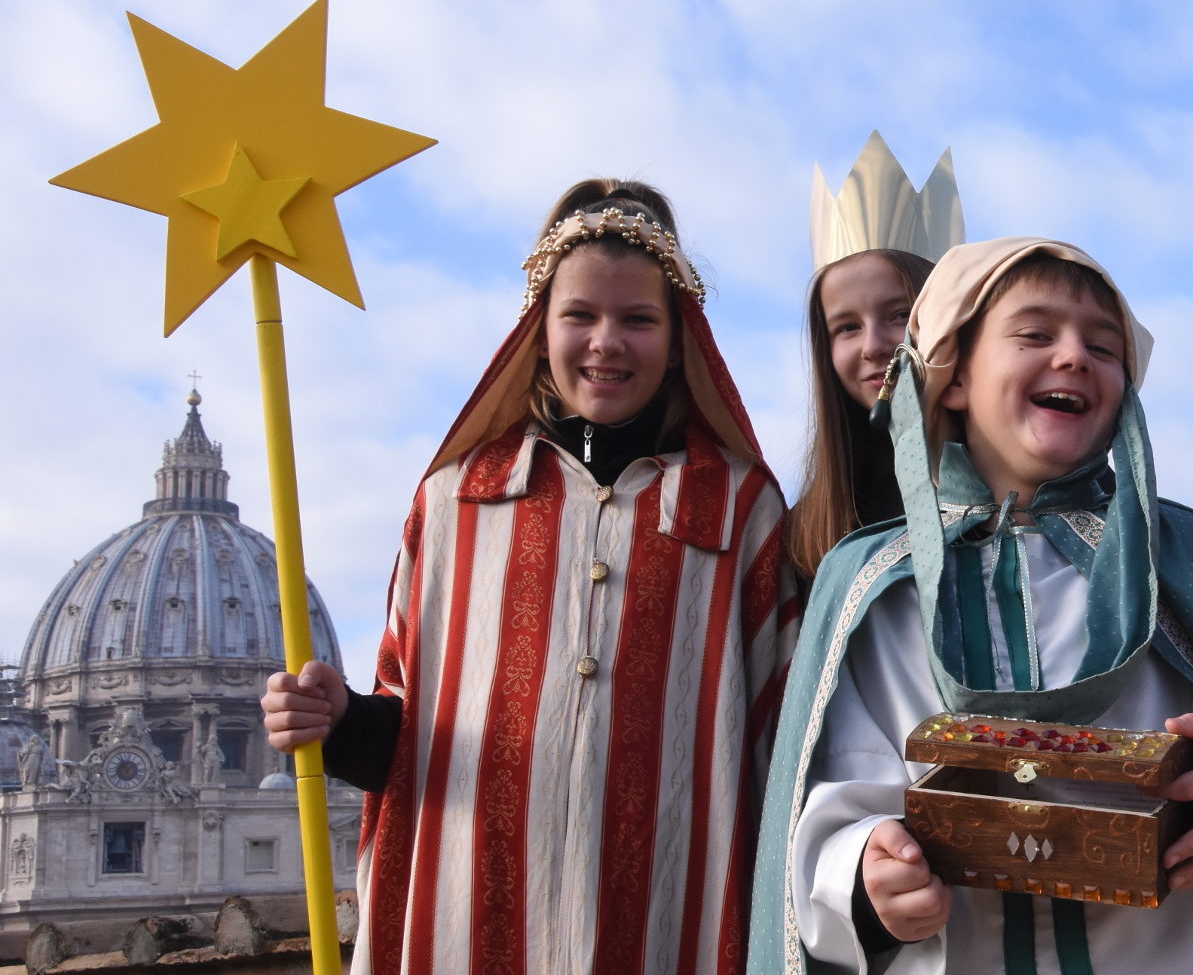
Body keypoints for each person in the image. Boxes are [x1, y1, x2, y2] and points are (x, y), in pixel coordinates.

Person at [753, 239, 1193, 974]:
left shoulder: (1187, 557)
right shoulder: (873, 579)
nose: (1075, 356)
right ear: (952, 378)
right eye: (1035, 334)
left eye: (1104, 347)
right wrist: (864, 871)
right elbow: (834, 789)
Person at [260, 179, 798, 974]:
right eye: (579, 315)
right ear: (538, 329)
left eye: (638, 319)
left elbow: (779, 738)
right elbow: (405, 729)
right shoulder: (451, 502)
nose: (606, 343)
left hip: (669, 929)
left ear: (680, 336)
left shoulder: (743, 510)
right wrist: (338, 720)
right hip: (467, 925)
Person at [787, 131, 961, 578]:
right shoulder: (807, 529)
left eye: (899, 314)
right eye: (847, 327)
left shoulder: (1017, 479)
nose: (873, 345)